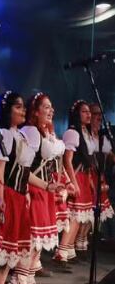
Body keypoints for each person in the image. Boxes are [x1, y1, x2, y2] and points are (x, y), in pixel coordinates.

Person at [12, 93, 65, 284]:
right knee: (31, 240)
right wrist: (44, 186)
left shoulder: (45, 132)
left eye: (52, 108)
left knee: (39, 242)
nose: (51, 111)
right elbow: (24, 168)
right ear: (35, 111)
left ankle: (29, 280)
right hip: (34, 190)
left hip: (45, 191)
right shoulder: (31, 132)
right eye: (46, 107)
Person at [57, 101, 96, 267]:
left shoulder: (85, 132)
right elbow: (67, 160)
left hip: (82, 176)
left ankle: (69, 250)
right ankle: (61, 253)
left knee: (79, 218)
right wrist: (73, 181)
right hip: (75, 176)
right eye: (84, 112)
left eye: (89, 112)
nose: (88, 115)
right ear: (76, 114)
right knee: (74, 217)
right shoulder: (73, 132)